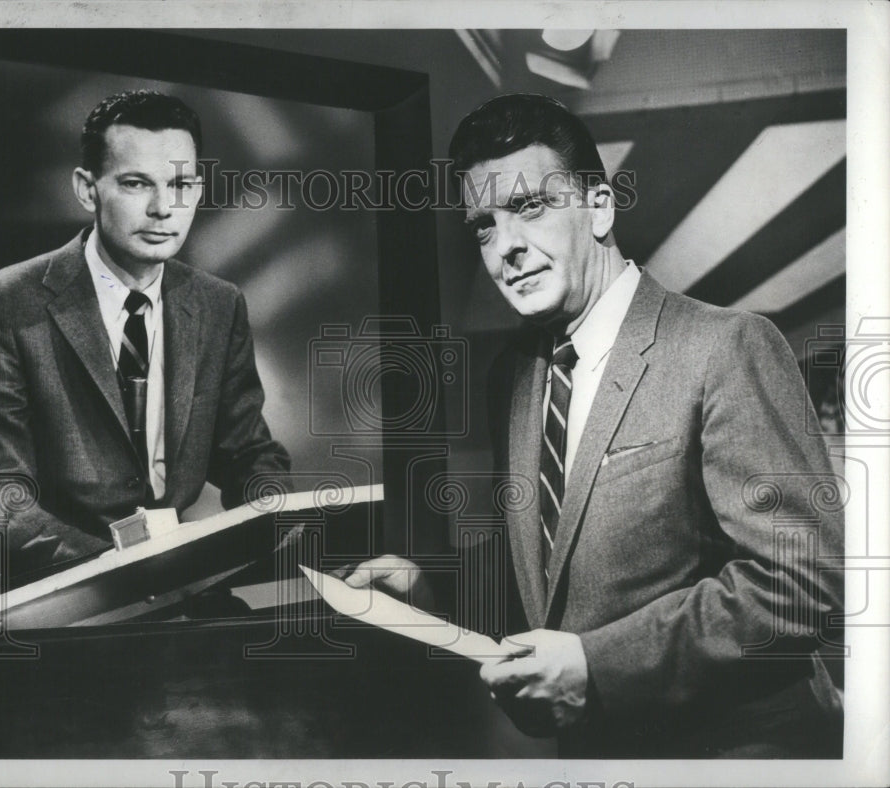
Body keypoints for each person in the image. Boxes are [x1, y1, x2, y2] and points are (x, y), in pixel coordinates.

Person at [345, 94, 844, 757]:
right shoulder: (516, 375)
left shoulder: (725, 346)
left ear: (600, 206)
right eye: (485, 226)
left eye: (528, 208)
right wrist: (435, 587)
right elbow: (555, 559)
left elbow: (802, 581)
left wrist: (597, 668)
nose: (506, 250)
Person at [0, 90, 290, 592]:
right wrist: (120, 571)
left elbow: (251, 455)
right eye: (135, 183)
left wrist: (274, 521)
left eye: (181, 184)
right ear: (87, 190)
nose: (164, 207)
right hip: (45, 597)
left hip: (174, 588)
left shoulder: (219, 304)